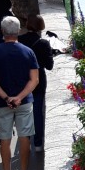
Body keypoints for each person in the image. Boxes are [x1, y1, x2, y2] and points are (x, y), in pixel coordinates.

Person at [0, 16, 38, 170]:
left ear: (2, 32)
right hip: (24, 102)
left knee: (5, 138)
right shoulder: (28, 52)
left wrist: (7, 98)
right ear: (18, 31)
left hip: (2, 103)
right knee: (24, 137)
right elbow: (34, 80)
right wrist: (19, 97)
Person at [18, 14, 54, 151]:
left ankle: (25, 141)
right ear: (41, 27)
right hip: (38, 82)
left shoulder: (19, 40)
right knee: (37, 112)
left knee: (23, 112)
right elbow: (49, 65)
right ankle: (38, 143)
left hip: (22, 81)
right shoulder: (43, 43)